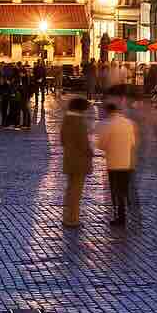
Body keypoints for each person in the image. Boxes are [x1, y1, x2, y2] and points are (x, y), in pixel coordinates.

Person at [96, 102, 138, 226]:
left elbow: (101, 144)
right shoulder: (128, 123)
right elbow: (133, 142)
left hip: (114, 163)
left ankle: (120, 216)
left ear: (108, 111)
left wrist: (108, 147)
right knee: (124, 189)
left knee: (116, 191)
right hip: (127, 162)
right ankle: (129, 213)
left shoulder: (108, 124)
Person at [60, 95, 95, 228]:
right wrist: (90, 153)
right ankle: (72, 219)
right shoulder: (79, 122)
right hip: (79, 161)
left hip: (69, 159)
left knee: (70, 190)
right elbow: (83, 144)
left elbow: (62, 140)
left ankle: (66, 216)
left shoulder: (66, 120)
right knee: (76, 192)